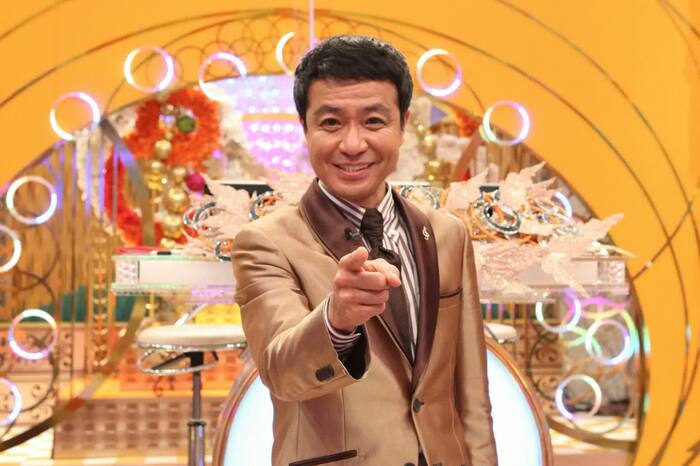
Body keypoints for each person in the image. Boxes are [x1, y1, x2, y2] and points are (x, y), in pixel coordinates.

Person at [232, 35, 497, 466]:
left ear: (403, 125)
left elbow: (472, 395)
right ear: (305, 129)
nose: (353, 144)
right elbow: (281, 372)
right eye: (331, 123)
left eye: (374, 121)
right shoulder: (266, 242)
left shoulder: (447, 234)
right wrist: (336, 320)